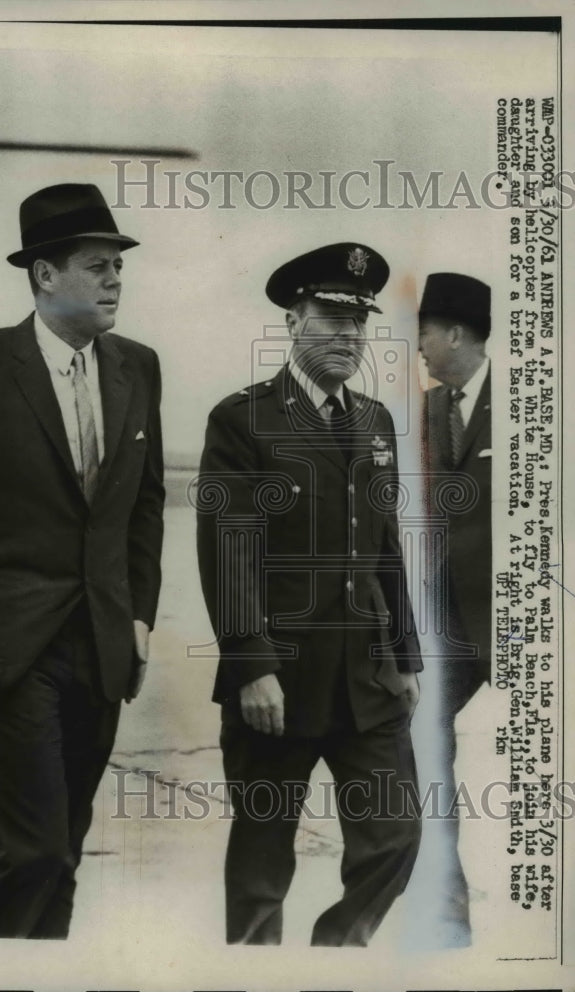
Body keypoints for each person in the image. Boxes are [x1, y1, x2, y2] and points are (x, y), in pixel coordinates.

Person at [0, 183, 165, 938]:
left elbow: (143, 506)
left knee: (65, 853)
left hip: (104, 644)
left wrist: (140, 616)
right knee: (35, 850)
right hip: (13, 645)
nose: (116, 278)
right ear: (44, 275)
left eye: (118, 265)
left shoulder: (138, 367)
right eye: (96, 264)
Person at [196, 243, 423, 946]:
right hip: (279, 683)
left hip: (367, 677)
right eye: (331, 318)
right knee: (262, 865)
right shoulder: (242, 419)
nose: (348, 336)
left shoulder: (376, 422)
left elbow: (384, 547)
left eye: (358, 323)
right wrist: (250, 665)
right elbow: (226, 549)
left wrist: (407, 657)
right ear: (293, 321)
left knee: (395, 835)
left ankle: (334, 954)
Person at [418, 271, 491, 946]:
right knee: (425, 737)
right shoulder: (427, 411)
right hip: (449, 627)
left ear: (456, 333)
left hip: (522, 627)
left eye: (424, 334)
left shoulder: (536, 402)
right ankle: (446, 895)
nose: (419, 348)